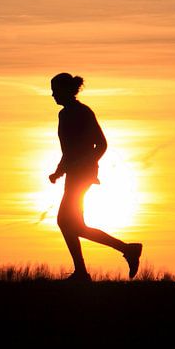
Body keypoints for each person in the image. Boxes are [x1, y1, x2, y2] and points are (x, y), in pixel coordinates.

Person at [48, 72, 143, 282]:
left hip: (83, 175)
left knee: (65, 221)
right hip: (72, 174)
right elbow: (68, 150)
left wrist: (86, 162)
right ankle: (127, 249)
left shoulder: (83, 112)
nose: (52, 94)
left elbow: (101, 144)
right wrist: (59, 170)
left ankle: (84, 272)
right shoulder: (64, 115)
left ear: (66, 90)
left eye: (55, 90)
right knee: (74, 225)